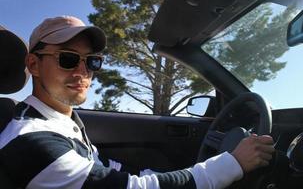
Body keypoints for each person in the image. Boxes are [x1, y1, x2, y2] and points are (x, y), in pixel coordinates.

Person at [0, 16, 275, 189]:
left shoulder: (61, 120)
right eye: (68, 58)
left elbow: (108, 168)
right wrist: (233, 164)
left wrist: (174, 173)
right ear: (34, 64)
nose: (82, 72)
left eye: (92, 61)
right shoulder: (31, 142)